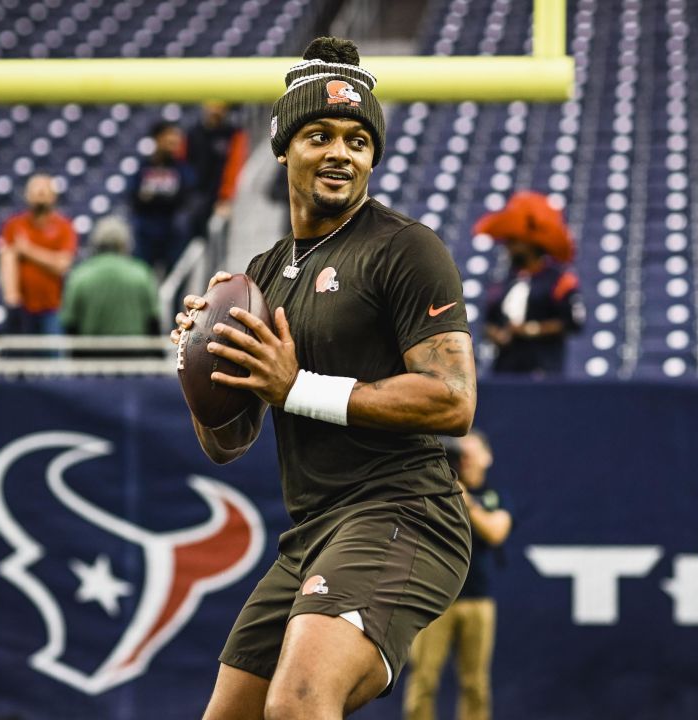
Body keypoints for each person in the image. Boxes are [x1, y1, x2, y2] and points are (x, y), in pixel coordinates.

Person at [169, 37, 476, 720]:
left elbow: (454, 401)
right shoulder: (261, 273)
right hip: (315, 529)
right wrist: (198, 364)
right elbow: (227, 443)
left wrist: (297, 388)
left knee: (300, 701)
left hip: (405, 515)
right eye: (320, 134)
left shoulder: (405, 247)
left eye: (358, 140)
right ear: (283, 148)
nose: (341, 151)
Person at [403, 430, 512, 720]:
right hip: (434, 600)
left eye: (471, 451)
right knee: (423, 678)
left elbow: (496, 532)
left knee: (475, 683)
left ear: (487, 457)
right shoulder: (438, 490)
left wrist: (464, 496)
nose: (465, 457)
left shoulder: (494, 496)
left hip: (477, 599)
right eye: (461, 452)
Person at [477, 190, 585, 376]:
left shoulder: (559, 279)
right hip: (505, 371)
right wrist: (495, 333)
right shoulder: (506, 280)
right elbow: (489, 321)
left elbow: (573, 322)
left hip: (543, 369)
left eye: (513, 241)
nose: (507, 247)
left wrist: (530, 330)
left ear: (530, 244)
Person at [0, 173, 77, 334]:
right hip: (22, 309)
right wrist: (11, 296)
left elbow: (62, 265)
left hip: (52, 307)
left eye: (44, 190)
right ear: (27, 195)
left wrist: (27, 250)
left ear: (54, 196)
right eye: (35, 190)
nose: (40, 194)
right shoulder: (14, 225)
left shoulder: (64, 226)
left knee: (53, 355)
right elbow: (7, 258)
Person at [59, 215, 160, 337]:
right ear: (125, 243)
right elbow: (153, 320)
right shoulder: (141, 273)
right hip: (134, 352)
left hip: (91, 352)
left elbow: (70, 322)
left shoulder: (80, 275)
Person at [129, 120, 195, 276]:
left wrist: (152, 198)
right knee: (141, 275)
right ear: (157, 139)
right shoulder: (143, 168)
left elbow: (186, 197)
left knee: (175, 278)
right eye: (168, 136)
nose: (173, 141)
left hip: (172, 232)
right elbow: (134, 197)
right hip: (146, 232)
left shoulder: (182, 169)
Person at [184, 100, 248, 242]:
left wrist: (225, 198)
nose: (214, 108)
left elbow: (235, 167)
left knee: (217, 239)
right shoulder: (192, 133)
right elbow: (183, 163)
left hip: (219, 199)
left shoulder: (233, 134)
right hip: (195, 198)